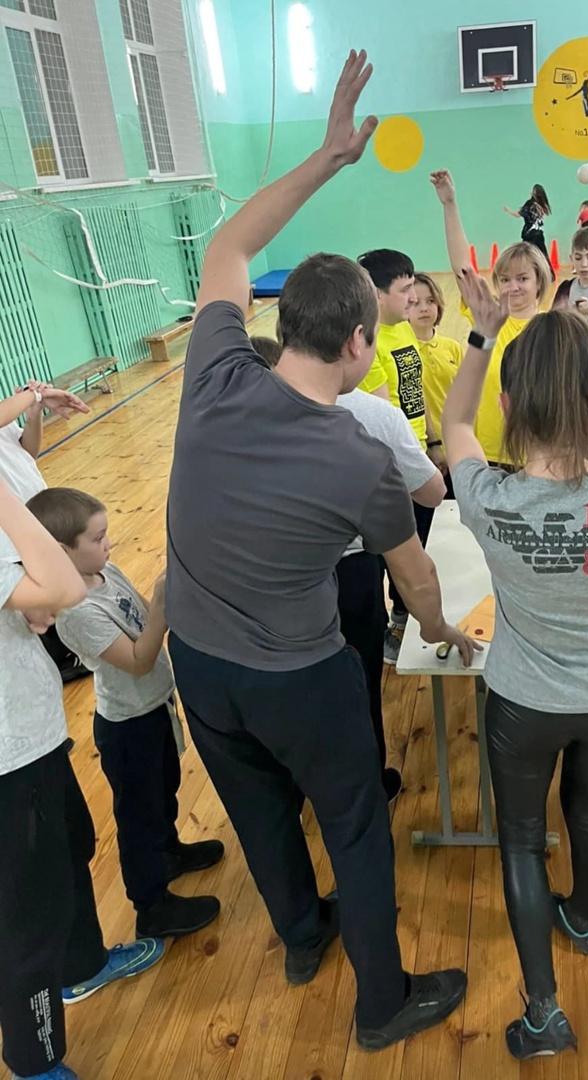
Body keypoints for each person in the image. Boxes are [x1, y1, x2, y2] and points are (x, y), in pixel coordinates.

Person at [164, 50, 478, 1051]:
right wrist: (441, 631)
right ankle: (382, 1003)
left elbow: (229, 241)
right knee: (352, 823)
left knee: (262, 813)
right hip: (297, 677)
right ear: (354, 344)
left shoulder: (214, 371)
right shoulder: (358, 456)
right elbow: (414, 574)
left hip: (196, 664)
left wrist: (328, 158)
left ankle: (304, 937)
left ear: (281, 320)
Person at [441, 268, 588, 1058]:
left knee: (520, 840)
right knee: (585, 812)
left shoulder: (487, 496)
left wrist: (481, 335)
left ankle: (542, 1012)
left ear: (510, 406)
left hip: (521, 703)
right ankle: (581, 917)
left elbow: (454, 424)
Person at [0, 475, 163, 1080]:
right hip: (9, 758)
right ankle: (35, 1059)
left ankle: (83, 964)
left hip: (33, 737)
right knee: (29, 912)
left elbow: (45, 592)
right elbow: (64, 586)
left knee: (71, 850)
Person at [255, 333, 447, 802]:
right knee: (358, 681)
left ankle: (299, 783)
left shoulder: (240, 418)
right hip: (352, 569)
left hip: (273, 573)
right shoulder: (374, 415)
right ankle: (367, 781)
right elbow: (432, 494)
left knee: (294, 682)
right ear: (356, 342)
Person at [27, 487, 224, 940]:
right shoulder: (76, 612)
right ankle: (150, 904)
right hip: (128, 726)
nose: (109, 544)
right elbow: (138, 659)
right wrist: (162, 608)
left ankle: (168, 852)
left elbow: (143, 615)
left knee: (164, 790)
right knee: (139, 817)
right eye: (97, 539)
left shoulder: (106, 572)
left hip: (153, 708)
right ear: (61, 552)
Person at [430, 168, 553, 465]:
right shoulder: (488, 318)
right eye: (505, 279)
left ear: (539, 281)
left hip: (535, 455)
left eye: (522, 278)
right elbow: (463, 269)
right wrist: (449, 204)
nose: (513, 287)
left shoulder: (549, 328)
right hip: (485, 453)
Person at [355, 248, 443, 663]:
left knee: (421, 542)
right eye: (405, 289)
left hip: (416, 453)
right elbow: (381, 417)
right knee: (395, 552)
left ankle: (407, 614)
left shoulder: (403, 330)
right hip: (391, 467)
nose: (413, 297)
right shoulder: (367, 343)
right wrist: (408, 467)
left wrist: (433, 443)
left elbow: (414, 394)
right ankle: (393, 625)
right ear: (376, 294)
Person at [0, 382, 91, 683]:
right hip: (10, 533)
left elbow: (27, 450)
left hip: (33, 512)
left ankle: (69, 649)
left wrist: (34, 413)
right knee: (37, 598)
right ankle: (61, 661)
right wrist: (36, 395)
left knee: (57, 585)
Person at [409, 273, 464, 470]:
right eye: (416, 303)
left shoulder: (453, 347)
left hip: (456, 443)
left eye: (430, 301)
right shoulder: (403, 352)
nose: (424, 308)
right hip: (422, 447)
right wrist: (434, 445)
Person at [551, 226, 588, 321]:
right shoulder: (565, 289)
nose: (584, 264)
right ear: (572, 259)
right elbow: (552, 322)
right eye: (578, 258)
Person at [503, 184, 552, 258]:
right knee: (543, 256)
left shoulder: (530, 204)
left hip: (530, 234)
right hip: (539, 235)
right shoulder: (542, 205)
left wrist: (508, 210)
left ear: (534, 193)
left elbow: (518, 215)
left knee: (525, 254)